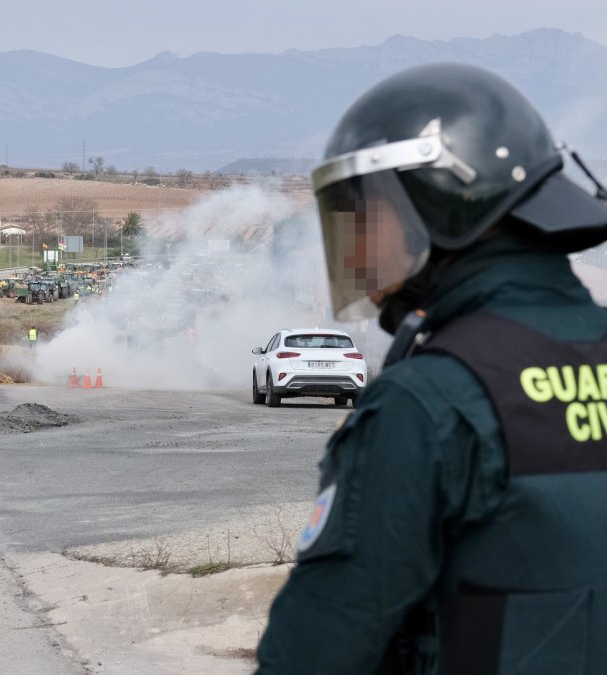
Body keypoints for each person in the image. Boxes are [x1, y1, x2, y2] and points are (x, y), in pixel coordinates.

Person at [257, 63, 607, 673]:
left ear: (443, 206)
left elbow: (315, 650)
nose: (359, 252)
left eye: (370, 218)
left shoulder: (427, 402)